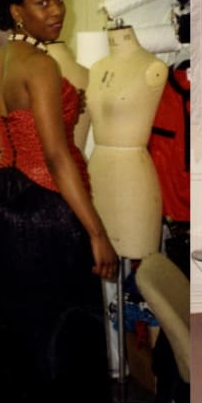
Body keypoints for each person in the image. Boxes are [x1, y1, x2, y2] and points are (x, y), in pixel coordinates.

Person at [0, 0, 117, 403]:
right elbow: (59, 159)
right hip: (46, 209)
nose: (56, 10)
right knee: (63, 328)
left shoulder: (1, 61)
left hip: (5, 202)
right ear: (17, 9)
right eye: (43, 2)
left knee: (17, 321)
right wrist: (97, 233)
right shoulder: (40, 67)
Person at [85, 25, 168, 260]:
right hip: (97, 171)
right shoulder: (97, 68)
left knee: (133, 250)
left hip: (132, 178)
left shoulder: (152, 68)